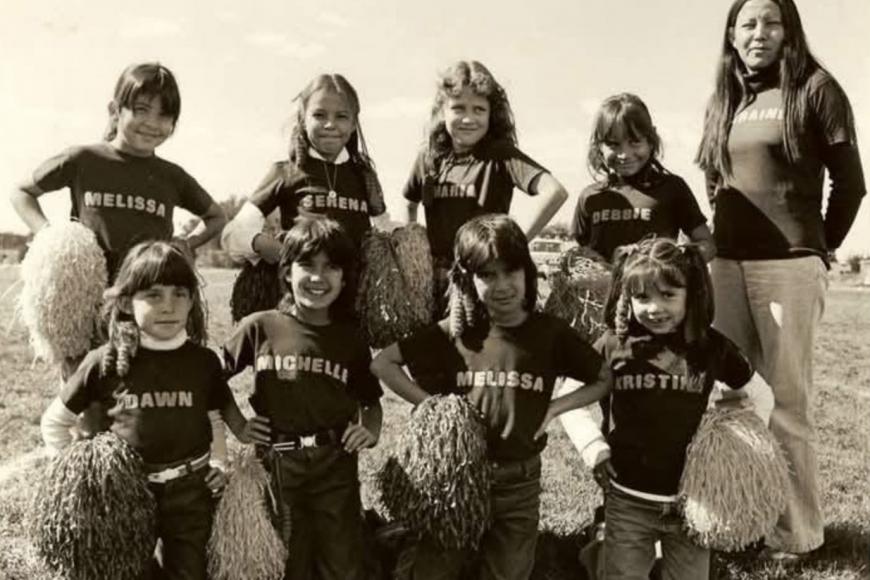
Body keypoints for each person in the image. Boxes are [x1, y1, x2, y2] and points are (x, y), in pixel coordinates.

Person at [695, 0, 866, 560]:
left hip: (788, 265)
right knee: (733, 396)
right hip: (727, 266)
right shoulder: (726, 97)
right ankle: (742, 520)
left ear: (789, 30)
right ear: (732, 34)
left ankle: (796, 535)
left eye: (771, 22)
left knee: (786, 402)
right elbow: (715, 182)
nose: (759, 33)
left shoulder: (816, 89)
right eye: (748, 23)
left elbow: (851, 184)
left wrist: (820, 247)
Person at [371, 214, 611, 580]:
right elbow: (383, 363)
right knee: (434, 568)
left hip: (519, 482)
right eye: (487, 275)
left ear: (527, 271)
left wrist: (555, 408)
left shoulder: (550, 333)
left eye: (510, 272)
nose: (501, 286)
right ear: (467, 279)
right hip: (457, 478)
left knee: (508, 572)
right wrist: (433, 407)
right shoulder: (456, 332)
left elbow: (603, 378)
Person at [561, 238, 774, 580]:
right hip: (628, 497)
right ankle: (599, 551)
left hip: (695, 501)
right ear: (626, 298)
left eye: (668, 295)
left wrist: (737, 452)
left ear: (692, 294)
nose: (655, 308)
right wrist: (594, 449)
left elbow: (760, 395)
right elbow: (570, 397)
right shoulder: (614, 345)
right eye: (642, 297)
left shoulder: (709, 346)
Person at [39, 241, 250, 580]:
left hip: (190, 492)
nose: (168, 306)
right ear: (126, 302)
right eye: (153, 295)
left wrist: (219, 464)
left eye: (179, 294)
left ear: (192, 301)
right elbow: (54, 422)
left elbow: (213, 417)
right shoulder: (104, 361)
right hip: (127, 496)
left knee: (190, 572)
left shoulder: (203, 362)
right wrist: (80, 479)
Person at [222, 216, 383, 580]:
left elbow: (370, 400)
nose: (318, 277)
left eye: (331, 267)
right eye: (307, 265)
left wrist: (370, 431)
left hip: (335, 462)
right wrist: (239, 424)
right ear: (286, 272)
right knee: (288, 556)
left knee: (341, 561)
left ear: (345, 278)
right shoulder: (261, 325)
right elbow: (210, 378)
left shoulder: (351, 339)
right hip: (277, 461)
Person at [11, 62, 226, 279]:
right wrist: (50, 237)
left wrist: (186, 243)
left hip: (147, 291)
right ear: (115, 111)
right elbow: (21, 192)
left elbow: (216, 217)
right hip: (90, 288)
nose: (152, 123)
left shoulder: (172, 176)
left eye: (164, 115)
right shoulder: (83, 159)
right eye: (141, 110)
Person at [402, 61, 569, 313]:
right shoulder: (429, 158)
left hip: (483, 281)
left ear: (492, 114)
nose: (468, 118)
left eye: (479, 109)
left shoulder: (500, 155)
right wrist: (414, 258)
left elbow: (555, 192)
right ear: (442, 111)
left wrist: (509, 248)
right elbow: (409, 203)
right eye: (458, 108)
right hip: (437, 282)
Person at [221, 73, 390, 266]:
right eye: (319, 115)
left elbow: (384, 230)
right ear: (303, 120)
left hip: (357, 284)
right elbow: (231, 233)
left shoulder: (364, 175)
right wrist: (260, 243)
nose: (330, 124)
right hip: (305, 283)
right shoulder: (285, 173)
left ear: (353, 124)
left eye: (341, 116)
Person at [572, 93, 714, 264]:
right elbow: (579, 252)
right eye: (613, 144)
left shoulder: (672, 188)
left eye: (635, 142)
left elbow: (707, 245)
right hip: (602, 282)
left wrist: (670, 263)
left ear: (651, 140)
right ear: (599, 146)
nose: (624, 154)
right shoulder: (590, 196)